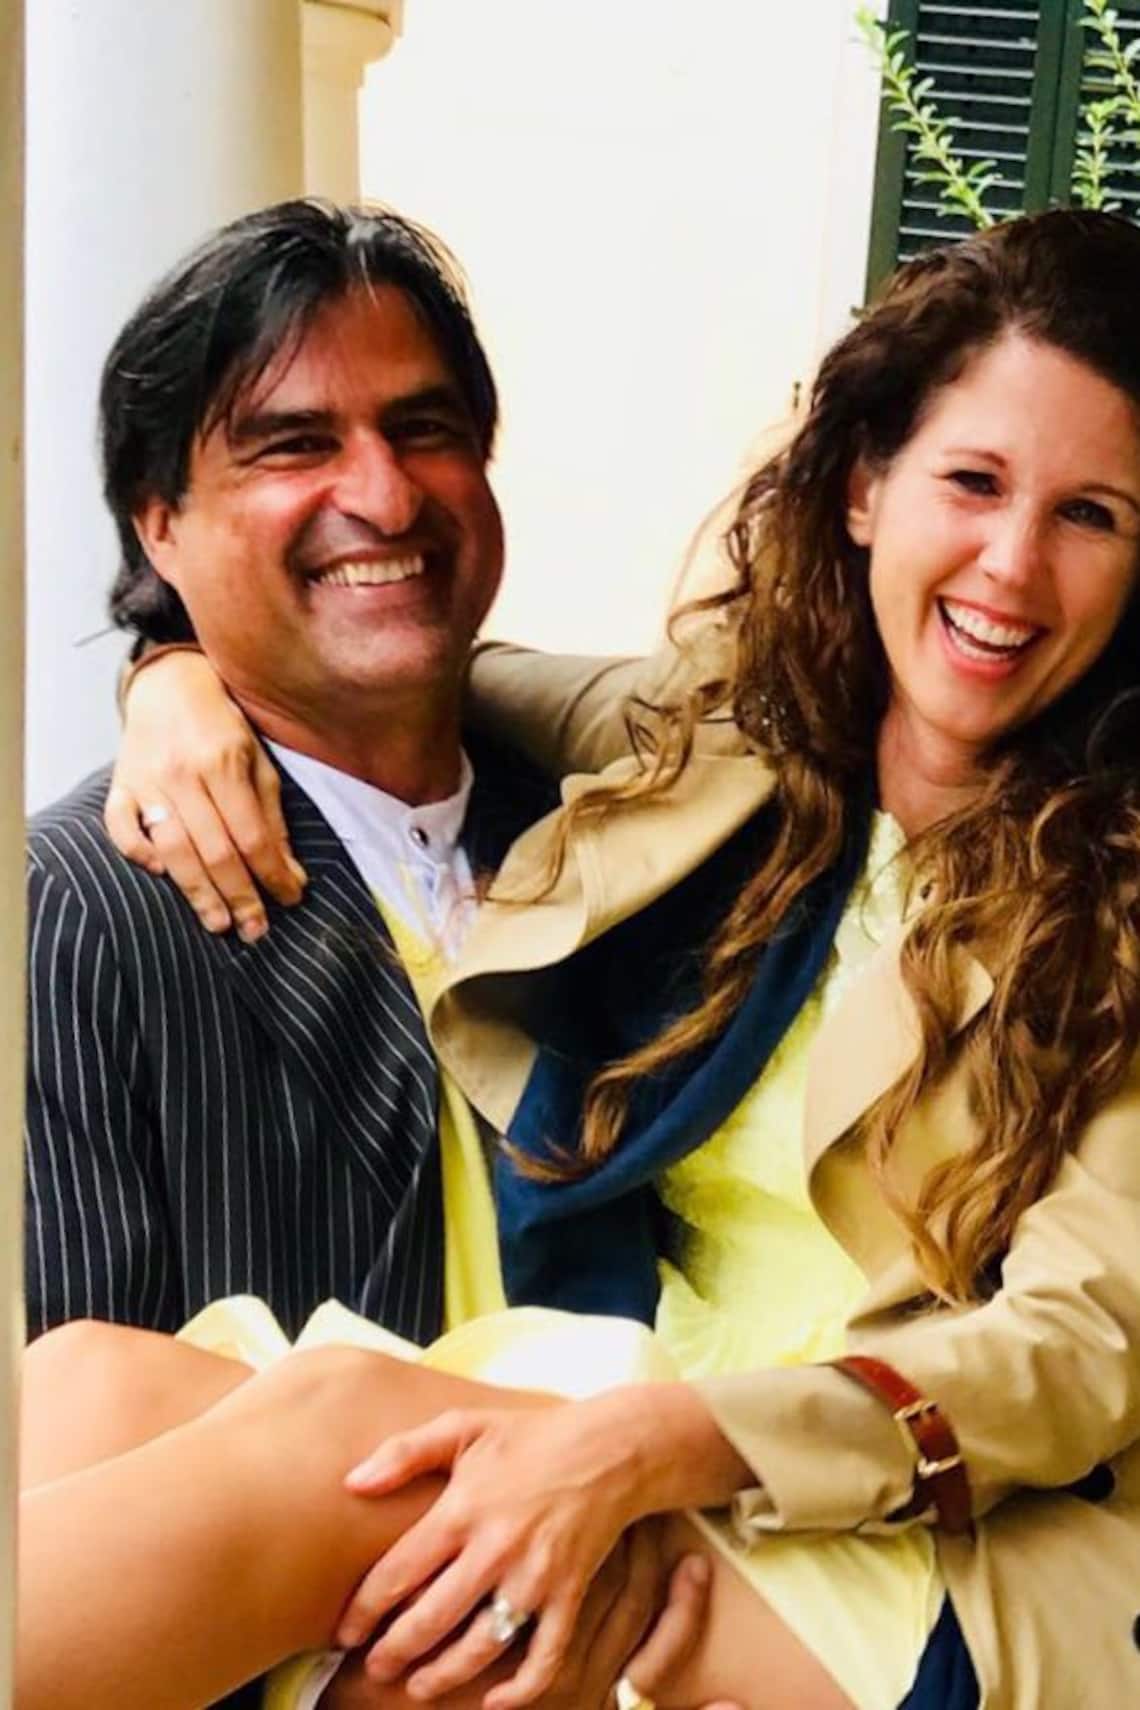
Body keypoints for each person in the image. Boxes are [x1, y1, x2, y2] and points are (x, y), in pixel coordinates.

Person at [104, 207, 1140, 1710]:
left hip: (913, 1523)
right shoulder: (737, 740)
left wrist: (662, 1444)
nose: (1013, 567)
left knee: (321, 1451)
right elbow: (413, 658)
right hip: (634, 1400)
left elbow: (1080, 1344)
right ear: (867, 487)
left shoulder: (1117, 898)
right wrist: (173, 673)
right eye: (973, 483)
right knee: (93, 1380)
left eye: (1092, 514)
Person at [25, 199, 559, 1347]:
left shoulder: (608, 836)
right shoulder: (71, 911)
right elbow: (70, 1421)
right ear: (160, 524)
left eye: (424, 429)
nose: (386, 496)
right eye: (296, 444)